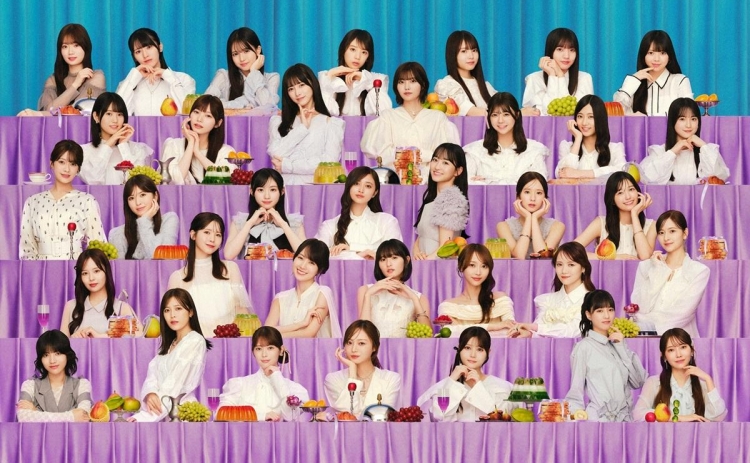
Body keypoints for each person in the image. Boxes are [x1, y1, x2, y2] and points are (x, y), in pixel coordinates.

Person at [360, 61, 460, 178]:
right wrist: (419, 155)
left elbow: (445, 155)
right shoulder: (388, 116)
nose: (406, 87)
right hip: (396, 180)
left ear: (423, 85)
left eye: (413, 81)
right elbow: (382, 154)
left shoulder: (437, 118)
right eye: (401, 82)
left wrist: (410, 154)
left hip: (429, 181)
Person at [129, 289, 212, 422]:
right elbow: (152, 376)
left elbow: (175, 384)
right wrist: (150, 393)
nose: (172, 315)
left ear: (190, 312)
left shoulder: (195, 341)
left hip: (183, 416)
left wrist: (143, 418)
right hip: (162, 415)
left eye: (178, 308)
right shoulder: (169, 344)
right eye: (167, 310)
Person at [564, 290, 648, 422]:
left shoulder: (618, 345)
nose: (607, 315)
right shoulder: (583, 348)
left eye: (610, 310)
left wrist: (622, 347)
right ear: (588, 315)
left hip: (626, 421)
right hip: (598, 421)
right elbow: (575, 393)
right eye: (599, 311)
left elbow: (638, 381)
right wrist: (578, 422)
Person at [19, 140, 106, 260]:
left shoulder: (87, 201)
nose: (67, 169)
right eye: (61, 162)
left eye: (73, 164)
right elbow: (27, 248)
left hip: (76, 265)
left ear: (78, 169)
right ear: (52, 163)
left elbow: (98, 245)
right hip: (41, 267)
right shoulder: (32, 202)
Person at [168, 213, 251, 336]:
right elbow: (174, 320)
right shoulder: (178, 278)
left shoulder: (230, 268)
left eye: (218, 235)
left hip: (228, 340)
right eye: (207, 232)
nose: (212, 239)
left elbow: (241, 310)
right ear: (193, 234)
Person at [630, 210, 709, 338]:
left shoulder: (699, 271)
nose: (666, 238)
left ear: (685, 233)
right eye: (661, 232)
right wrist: (657, 270)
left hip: (680, 340)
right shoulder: (646, 266)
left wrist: (644, 324)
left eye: (672, 231)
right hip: (644, 339)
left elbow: (681, 314)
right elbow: (639, 307)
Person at [416, 327, 518, 421]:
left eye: (480, 349)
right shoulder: (442, 386)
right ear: (459, 348)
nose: (473, 355)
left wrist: (478, 387)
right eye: (467, 348)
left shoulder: (504, 387)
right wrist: (451, 380)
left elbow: (500, 420)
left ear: (488, 352)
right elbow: (438, 416)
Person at [267, 63, 345, 185]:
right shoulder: (278, 121)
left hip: (315, 190)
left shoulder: (331, 124)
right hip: (284, 189)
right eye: (291, 89)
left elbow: (329, 163)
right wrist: (302, 128)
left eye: (301, 85)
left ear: (312, 84)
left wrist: (288, 165)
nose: (297, 93)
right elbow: (276, 154)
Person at [632, 328, 726, 422]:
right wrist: (678, 418)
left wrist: (708, 379)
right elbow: (637, 414)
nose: (678, 354)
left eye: (683, 347)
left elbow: (718, 418)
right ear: (664, 356)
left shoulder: (703, 386)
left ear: (692, 350)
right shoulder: (654, 383)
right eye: (671, 350)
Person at [218, 327, 309, 421]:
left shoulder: (295, 389)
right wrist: (261, 416)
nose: (264, 354)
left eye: (270, 348)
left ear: (281, 350)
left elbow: (289, 416)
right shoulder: (239, 384)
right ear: (253, 352)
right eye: (258, 349)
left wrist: (277, 378)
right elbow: (221, 414)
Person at [510, 242, 595, 338]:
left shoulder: (592, 301)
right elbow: (539, 331)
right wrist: (530, 334)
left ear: (583, 268)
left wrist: (535, 328)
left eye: (571, 265)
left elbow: (575, 330)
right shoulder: (548, 300)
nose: (564, 271)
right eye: (559, 264)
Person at [315, 166, 402, 260]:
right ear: (349, 186)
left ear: (375, 193)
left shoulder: (387, 221)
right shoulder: (329, 226)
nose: (361, 190)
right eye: (356, 184)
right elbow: (317, 257)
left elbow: (395, 255)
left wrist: (351, 249)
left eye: (368, 186)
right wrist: (358, 254)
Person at [463, 92, 549, 184]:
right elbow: (466, 183)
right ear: (488, 117)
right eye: (495, 115)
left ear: (517, 115)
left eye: (506, 114)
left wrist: (487, 181)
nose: (500, 120)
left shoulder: (534, 150)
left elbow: (539, 185)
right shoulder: (474, 151)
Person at [640, 98, 729, 185]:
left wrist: (703, 145)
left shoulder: (708, 151)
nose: (688, 125)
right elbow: (648, 178)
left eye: (693, 119)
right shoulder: (659, 152)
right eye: (682, 119)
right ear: (672, 121)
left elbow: (719, 179)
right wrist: (673, 151)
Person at [265, 239, 342, 338]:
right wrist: (301, 324)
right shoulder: (280, 298)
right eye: (300, 258)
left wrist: (275, 335)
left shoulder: (323, 293)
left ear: (319, 270)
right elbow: (265, 333)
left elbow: (309, 334)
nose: (303, 266)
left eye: (311, 263)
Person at [324, 320, 401, 418]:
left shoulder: (391, 379)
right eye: (349, 342)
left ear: (374, 347)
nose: (354, 349)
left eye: (361, 343)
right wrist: (352, 372)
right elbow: (347, 417)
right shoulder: (333, 379)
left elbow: (384, 416)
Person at [24, 23, 105, 114]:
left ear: (86, 47)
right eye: (65, 46)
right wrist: (75, 84)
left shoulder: (96, 77)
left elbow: (78, 111)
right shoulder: (53, 80)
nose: (70, 52)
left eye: (76, 45)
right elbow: (48, 111)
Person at [224, 168, 305, 258]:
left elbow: (305, 255)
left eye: (273, 190)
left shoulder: (294, 223)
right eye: (260, 190)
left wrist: (283, 224)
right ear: (252, 191)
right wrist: (249, 223)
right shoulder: (240, 222)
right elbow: (228, 255)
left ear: (282, 191)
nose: (267, 196)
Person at [59, 248, 141, 338]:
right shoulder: (71, 306)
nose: (91, 278)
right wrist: (73, 339)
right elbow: (60, 345)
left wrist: (101, 336)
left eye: (96, 271)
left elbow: (138, 335)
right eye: (85, 273)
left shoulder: (119, 307)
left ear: (106, 271)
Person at [575, 171, 656, 260]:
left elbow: (645, 257)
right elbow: (571, 251)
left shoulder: (651, 225)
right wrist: (613, 257)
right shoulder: (601, 223)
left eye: (631, 189)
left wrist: (634, 215)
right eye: (620, 192)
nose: (628, 196)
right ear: (612, 200)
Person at [358, 239, 430, 338]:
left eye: (394, 258)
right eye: (383, 259)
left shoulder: (419, 298)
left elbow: (427, 335)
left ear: (407, 260)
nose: (388, 264)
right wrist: (368, 295)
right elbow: (362, 334)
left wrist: (414, 299)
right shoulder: (365, 290)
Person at [438, 244, 515, 337]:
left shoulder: (501, 299)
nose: (478, 272)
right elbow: (448, 333)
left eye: (484, 266)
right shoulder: (448, 305)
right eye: (472, 265)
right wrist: (494, 326)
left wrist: (461, 328)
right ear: (461, 266)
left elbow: (511, 331)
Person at [116, 28, 195, 116]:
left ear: (160, 47)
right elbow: (117, 113)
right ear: (134, 57)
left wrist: (169, 77)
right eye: (138, 51)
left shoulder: (183, 79)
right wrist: (133, 77)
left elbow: (188, 114)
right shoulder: (128, 85)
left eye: (149, 47)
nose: (145, 55)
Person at [16, 330, 92, 422]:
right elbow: (22, 416)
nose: (52, 361)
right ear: (41, 359)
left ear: (67, 355)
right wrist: (72, 417)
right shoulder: (30, 385)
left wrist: (36, 412)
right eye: (46, 355)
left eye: (57, 353)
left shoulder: (82, 384)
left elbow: (84, 416)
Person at [80, 92, 154, 185]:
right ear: (96, 116)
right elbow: (94, 181)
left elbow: (139, 183)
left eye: (119, 114)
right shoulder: (84, 151)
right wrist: (108, 145)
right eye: (109, 114)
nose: (115, 120)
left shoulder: (138, 149)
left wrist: (123, 145)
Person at [161, 94, 236, 185]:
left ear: (218, 123)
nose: (199, 119)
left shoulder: (226, 152)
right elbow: (173, 182)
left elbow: (224, 181)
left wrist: (197, 153)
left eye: (208, 116)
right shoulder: (174, 145)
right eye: (196, 112)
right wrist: (191, 144)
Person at [613, 30, 692, 116]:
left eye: (662, 53)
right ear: (643, 56)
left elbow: (688, 114)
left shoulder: (680, 81)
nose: (656, 59)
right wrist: (633, 80)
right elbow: (617, 112)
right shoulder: (634, 84)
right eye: (651, 53)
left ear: (669, 56)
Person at [413, 143, 470, 259]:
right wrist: (417, 254)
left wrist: (425, 263)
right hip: (424, 263)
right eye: (435, 160)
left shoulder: (451, 200)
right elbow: (421, 237)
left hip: (437, 265)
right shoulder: (433, 199)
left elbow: (445, 248)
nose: (437, 166)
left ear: (458, 171)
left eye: (445, 163)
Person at [318, 29, 392, 116]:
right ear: (343, 50)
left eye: (364, 52)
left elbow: (385, 114)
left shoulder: (376, 80)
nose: (357, 57)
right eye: (353, 49)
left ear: (368, 57)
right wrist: (329, 76)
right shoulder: (330, 80)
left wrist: (367, 82)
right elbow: (322, 114)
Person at [522, 28, 593, 116]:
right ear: (550, 51)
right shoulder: (534, 79)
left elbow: (570, 113)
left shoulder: (585, 78)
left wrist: (560, 75)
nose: (566, 56)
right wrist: (552, 76)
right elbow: (547, 113)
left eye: (572, 50)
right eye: (560, 49)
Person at [204, 27, 280, 109]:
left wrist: (254, 72)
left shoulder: (271, 78)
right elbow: (205, 104)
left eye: (246, 51)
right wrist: (241, 105)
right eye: (235, 54)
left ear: (258, 50)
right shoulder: (224, 76)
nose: (242, 59)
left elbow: (268, 107)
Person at [555, 95, 627, 180]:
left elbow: (623, 171)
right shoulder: (566, 147)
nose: (584, 122)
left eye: (590, 117)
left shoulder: (615, 148)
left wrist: (580, 173)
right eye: (580, 116)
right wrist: (578, 139)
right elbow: (562, 174)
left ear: (600, 119)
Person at [108, 174, 179, 259]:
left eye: (142, 195)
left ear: (155, 196)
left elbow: (160, 257)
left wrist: (144, 220)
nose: (138, 202)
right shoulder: (117, 234)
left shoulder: (168, 220)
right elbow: (120, 267)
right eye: (131, 198)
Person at [496, 172, 565, 259]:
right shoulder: (503, 226)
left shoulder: (557, 226)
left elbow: (542, 258)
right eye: (527, 192)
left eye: (539, 193)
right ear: (518, 196)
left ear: (545, 198)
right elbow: (519, 256)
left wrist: (534, 218)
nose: (533, 198)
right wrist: (528, 218)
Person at [435, 30, 497, 116]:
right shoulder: (447, 85)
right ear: (452, 54)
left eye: (474, 50)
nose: (471, 56)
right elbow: (471, 111)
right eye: (464, 51)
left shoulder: (486, 86)